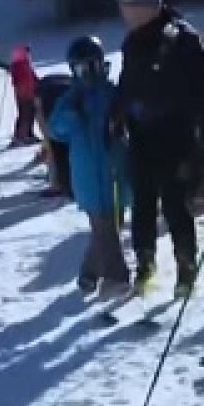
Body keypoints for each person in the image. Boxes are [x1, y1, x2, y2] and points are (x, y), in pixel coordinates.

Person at [113, 0, 204, 298]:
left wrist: (200, 139)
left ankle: (186, 266)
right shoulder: (133, 42)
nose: (123, 15)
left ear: (142, 7)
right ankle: (145, 262)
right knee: (143, 201)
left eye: (126, 8)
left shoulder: (181, 38)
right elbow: (127, 84)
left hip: (177, 136)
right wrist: (118, 113)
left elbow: (203, 92)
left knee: (175, 203)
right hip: (142, 136)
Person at [50, 35, 132, 295]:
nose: (88, 74)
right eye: (81, 69)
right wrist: (72, 113)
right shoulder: (71, 99)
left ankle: (89, 272)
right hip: (88, 177)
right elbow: (56, 129)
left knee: (110, 227)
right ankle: (116, 278)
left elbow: (129, 120)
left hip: (115, 173)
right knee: (105, 229)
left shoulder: (112, 94)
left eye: (92, 67)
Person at [37, 70, 75, 198]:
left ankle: (57, 185)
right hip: (68, 97)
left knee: (54, 147)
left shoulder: (39, 95)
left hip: (50, 103)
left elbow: (47, 133)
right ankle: (68, 180)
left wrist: (46, 143)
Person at [9, 45, 40, 147]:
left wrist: (38, 84)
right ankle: (20, 137)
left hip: (29, 93)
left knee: (30, 113)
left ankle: (28, 134)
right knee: (25, 114)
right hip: (24, 95)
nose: (29, 55)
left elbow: (32, 77)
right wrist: (24, 92)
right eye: (27, 53)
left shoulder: (25, 64)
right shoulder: (19, 66)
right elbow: (20, 81)